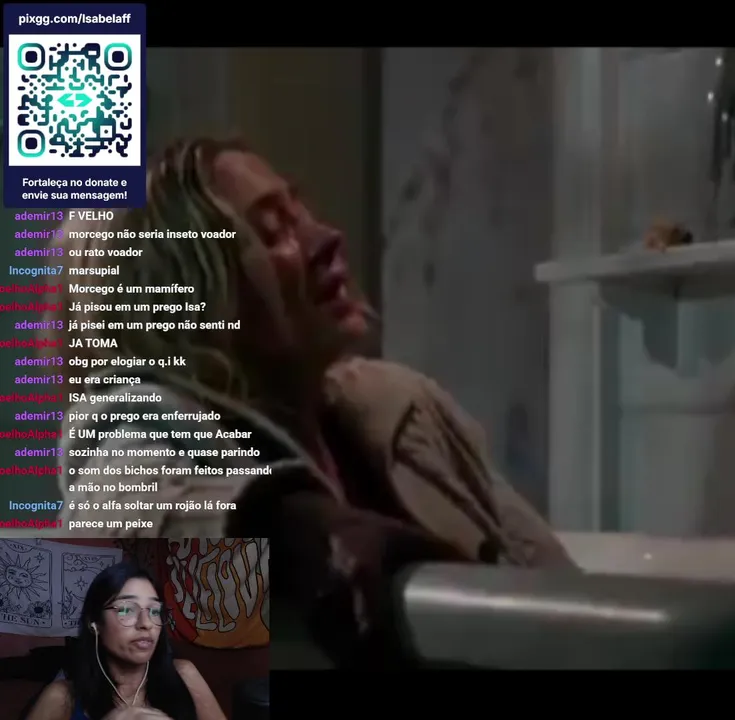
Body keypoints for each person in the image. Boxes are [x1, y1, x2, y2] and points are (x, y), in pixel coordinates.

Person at [42, 138, 578, 664]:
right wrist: (285, 523)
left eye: (302, 213)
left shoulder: (405, 407)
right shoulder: (131, 452)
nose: (327, 238)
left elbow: (567, 601)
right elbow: (113, 521)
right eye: (273, 231)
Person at [24, 561, 225, 720]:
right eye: (127, 609)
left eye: (154, 611)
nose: (146, 623)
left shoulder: (185, 675)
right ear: (94, 623)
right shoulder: (61, 697)